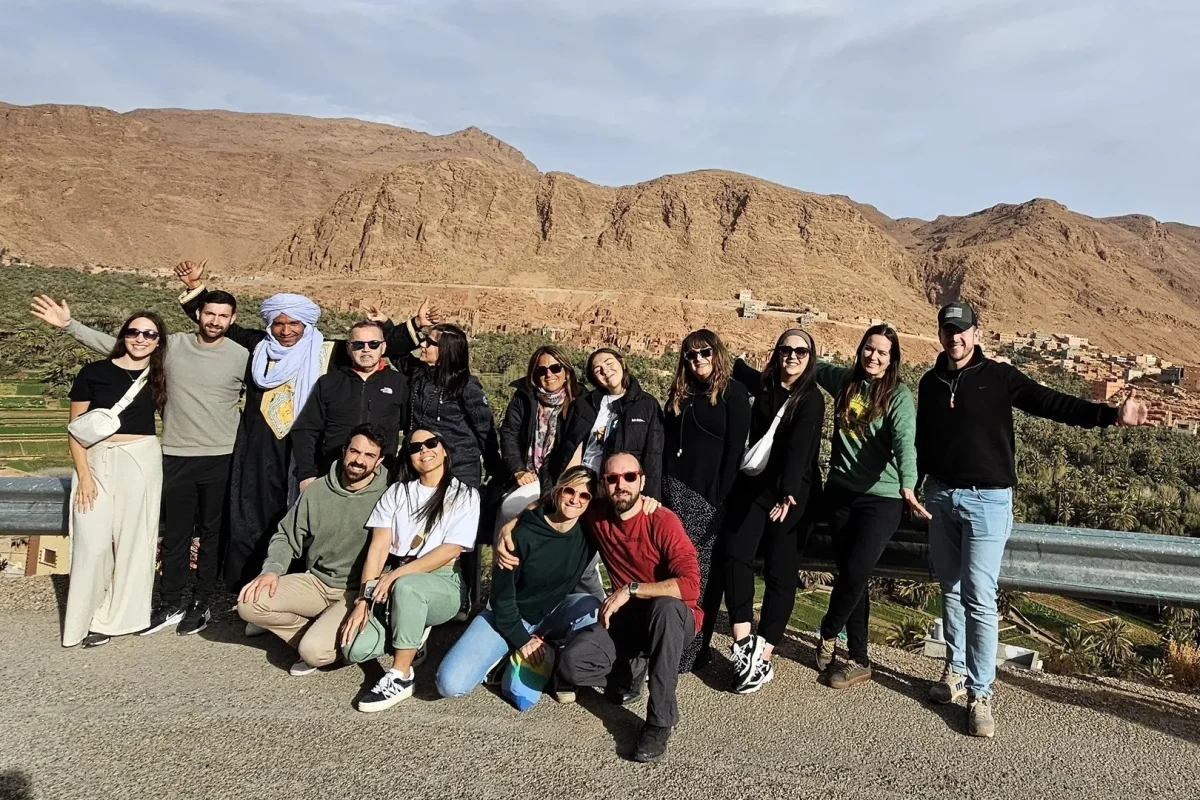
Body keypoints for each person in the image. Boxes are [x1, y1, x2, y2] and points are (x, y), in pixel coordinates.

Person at [917, 301, 1159, 739]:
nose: (955, 337)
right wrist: (915, 489)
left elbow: (1052, 403)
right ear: (939, 333)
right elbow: (922, 441)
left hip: (988, 502)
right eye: (948, 330)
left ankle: (980, 692)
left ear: (976, 332)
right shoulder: (930, 383)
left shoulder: (1000, 377)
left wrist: (1109, 416)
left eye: (962, 330)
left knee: (978, 594)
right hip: (941, 497)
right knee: (950, 590)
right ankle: (952, 672)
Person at [174, 261, 429, 600]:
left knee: (304, 518)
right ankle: (249, 586)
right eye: (278, 323)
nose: (285, 330)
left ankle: (299, 587)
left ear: (305, 323)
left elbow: (374, 345)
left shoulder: (325, 349)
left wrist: (412, 326)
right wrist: (196, 288)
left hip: (308, 447)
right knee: (255, 513)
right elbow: (221, 327)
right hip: (261, 445)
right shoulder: (258, 346)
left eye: (293, 323)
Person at [31, 272, 248, 637]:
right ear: (198, 314)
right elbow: (119, 350)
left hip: (222, 456)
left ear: (233, 319)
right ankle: (171, 601)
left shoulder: (242, 356)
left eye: (222, 316)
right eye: (209, 313)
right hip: (175, 454)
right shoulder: (172, 345)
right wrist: (70, 326)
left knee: (213, 533)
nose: (214, 321)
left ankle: (202, 601)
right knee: (176, 534)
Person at [501, 452, 701, 764]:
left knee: (665, 607)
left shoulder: (663, 521)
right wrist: (509, 526)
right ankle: (630, 667)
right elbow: (550, 502)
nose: (621, 485)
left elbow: (690, 586)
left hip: (672, 620)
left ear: (642, 481)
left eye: (629, 477)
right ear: (604, 485)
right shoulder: (596, 514)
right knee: (571, 665)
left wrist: (631, 589)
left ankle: (660, 722)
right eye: (612, 478)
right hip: (625, 623)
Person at [811, 324, 930, 688]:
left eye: (882, 352)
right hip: (841, 493)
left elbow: (904, 443)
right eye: (869, 348)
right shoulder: (844, 381)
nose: (873, 357)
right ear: (860, 349)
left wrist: (908, 484)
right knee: (853, 576)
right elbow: (807, 364)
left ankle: (829, 632)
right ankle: (859, 659)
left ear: (892, 359)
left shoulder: (897, 396)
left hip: (883, 499)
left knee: (858, 570)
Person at [435, 466, 601, 706]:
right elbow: (502, 598)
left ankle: (561, 668)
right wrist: (523, 640)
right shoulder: (521, 534)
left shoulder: (589, 533)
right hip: (510, 613)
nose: (575, 499)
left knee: (592, 607)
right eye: (569, 491)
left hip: (553, 612)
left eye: (584, 495)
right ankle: (509, 653)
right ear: (558, 491)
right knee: (449, 684)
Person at [342, 429, 481, 712]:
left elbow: (451, 550)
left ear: (444, 449)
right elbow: (379, 548)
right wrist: (364, 599)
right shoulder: (397, 492)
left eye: (431, 443)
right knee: (353, 648)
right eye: (415, 447)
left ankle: (401, 675)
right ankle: (412, 630)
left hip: (442, 582)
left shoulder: (464, 495)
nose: (424, 451)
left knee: (408, 587)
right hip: (396, 579)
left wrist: (395, 576)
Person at [237, 425, 389, 676]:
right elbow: (287, 536)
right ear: (344, 451)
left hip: (355, 590)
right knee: (249, 603)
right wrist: (272, 570)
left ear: (379, 460)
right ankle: (315, 631)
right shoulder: (317, 491)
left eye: (369, 455)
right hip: (317, 582)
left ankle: (327, 641)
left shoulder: (388, 496)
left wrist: (371, 594)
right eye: (354, 451)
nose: (359, 460)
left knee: (314, 653)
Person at [724, 329, 825, 694]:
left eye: (801, 350)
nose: (793, 356)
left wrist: (787, 494)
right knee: (737, 553)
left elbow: (801, 449)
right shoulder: (765, 384)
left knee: (781, 571)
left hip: (795, 494)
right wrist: (725, 361)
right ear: (778, 353)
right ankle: (742, 642)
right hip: (757, 486)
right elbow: (739, 370)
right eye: (786, 349)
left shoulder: (811, 399)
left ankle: (764, 652)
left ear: (810, 357)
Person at [62, 311, 168, 648]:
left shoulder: (161, 375)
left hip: (140, 458)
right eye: (134, 331)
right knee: (91, 543)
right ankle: (82, 619)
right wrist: (85, 476)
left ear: (158, 341)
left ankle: (120, 619)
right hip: (95, 460)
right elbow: (75, 430)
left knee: (136, 540)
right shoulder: (93, 373)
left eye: (150, 334)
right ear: (123, 334)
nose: (141, 338)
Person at [384, 317, 502, 617]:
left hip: (460, 467)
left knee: (461, 536)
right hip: (420, 462)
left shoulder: (466, 386)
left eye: (429, 342)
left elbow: (484, 429)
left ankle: (466, 598)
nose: (422, 346)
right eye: (423, 340)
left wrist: (496, 471)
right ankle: (414, 588)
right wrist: (400, 325)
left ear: (446, 350)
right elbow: (395, 351)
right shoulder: (418, 374)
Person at [662, 329, 751, 671]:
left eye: (704, 353)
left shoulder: (733, 393)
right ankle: (667, 641)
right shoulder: (679, 394)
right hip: (674, 493)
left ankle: (695, 649)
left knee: (702, 576)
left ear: (717, 353)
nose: (698, 360)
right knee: (670, 568)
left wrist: (719, 497)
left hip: (709, 499)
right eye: (690, 354)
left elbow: (733, 452)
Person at [289, 320, 407, 489]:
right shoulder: (329, 383)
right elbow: (306, 429)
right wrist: (306, 474)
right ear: (349, 348)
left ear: (383, 347)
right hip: (333, 474)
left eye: (373, 344)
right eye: (358, 344)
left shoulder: (399, 384)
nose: (366, 349)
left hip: (382, 478)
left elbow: (410, 428)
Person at [548, 348, 665, 499]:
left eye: (609, 363)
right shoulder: (584, 404)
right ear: (594, 378)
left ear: (622, 363)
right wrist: (564, 484)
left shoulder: (647, 405)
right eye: (598, 370)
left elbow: (653, 455)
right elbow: (570, 445)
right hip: (582, 486)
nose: (605, 371)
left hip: (618, 488)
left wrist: (650, 497)